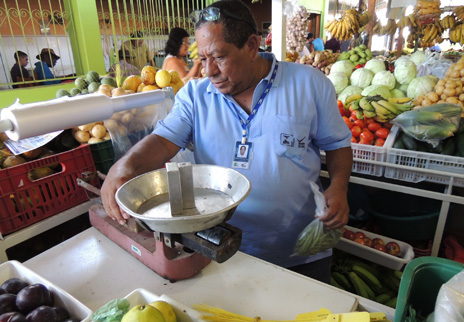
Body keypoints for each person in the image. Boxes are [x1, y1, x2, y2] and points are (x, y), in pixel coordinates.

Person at [101, 0, 352, 284]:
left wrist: (339, 185)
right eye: (202, 58)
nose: (208, 71)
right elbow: (162, 141)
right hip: (221, 251)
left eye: (219, 57)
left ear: (252, 45)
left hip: (301, 250)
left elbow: (337, 144)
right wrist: (126, 165)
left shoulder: (310, 84)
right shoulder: (195, 96)